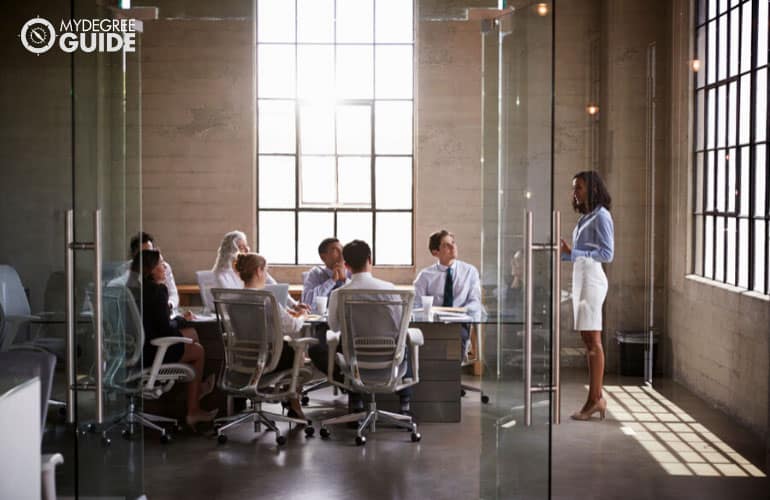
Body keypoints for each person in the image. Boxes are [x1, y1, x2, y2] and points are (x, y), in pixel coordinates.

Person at [130, 249, 217, 428]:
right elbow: (164, 330)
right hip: (152, 350)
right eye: (161, 264)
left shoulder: (133, 289)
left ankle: (196, 389)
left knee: (192, 334)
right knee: (198, 351)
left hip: (135, 349)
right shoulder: (157, 290)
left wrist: (179, 321)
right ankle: (193, 409)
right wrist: (180, 319)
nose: (164, 267)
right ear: (152, 269)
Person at [323, 240, 413, 414]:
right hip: (390, 361)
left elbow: (334, 328)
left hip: (355, 362)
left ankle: (356, 402)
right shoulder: (390, 290)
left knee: (343, 341)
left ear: (346, 265)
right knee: (404, 341)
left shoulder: (338, 294)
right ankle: (405, 403)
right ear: (370, 259)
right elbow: (402, 324)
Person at [559, 170, 614, 421]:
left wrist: (575, 252)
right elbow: (580, 253)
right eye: (574, 188)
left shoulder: (602, 216)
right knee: (588, 339)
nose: (574, 193)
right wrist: (565, 252)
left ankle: (595, 399)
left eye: (578, 188)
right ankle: (596, 398)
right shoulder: (585, 218)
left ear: (592, 189)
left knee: (593, 340)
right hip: (582, 278)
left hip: (592, 280)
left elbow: (606, 254)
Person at [235, 252, 309, 420]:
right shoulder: (267, 299)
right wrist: (303, 316)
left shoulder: (233, 297)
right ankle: (293, 401)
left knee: (291, 349)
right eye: (265, 270)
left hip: (241, 357)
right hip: (267, 358)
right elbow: (292, 326)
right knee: (298, 354)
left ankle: (290, 400)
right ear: (259, 271)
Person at [413, 230, 482, 360]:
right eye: (446, 245)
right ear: (435, 252)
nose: (453, 247)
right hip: (433, 325)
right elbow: (415, 305)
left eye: (453, 243)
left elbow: (475, 302)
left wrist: (462, 311)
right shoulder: (425, 276)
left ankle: (449, 376)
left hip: (458, 323)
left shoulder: (470, 271)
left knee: (456, 338)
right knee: (420, 342)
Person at [212, 230, 307, 312]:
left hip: (258, 310)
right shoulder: (222, 275)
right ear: (230, 251)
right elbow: (231, 303)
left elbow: (275, 286)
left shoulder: (253, 266)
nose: (246, 250)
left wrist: (294, 305)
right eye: (241, 247)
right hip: (237, 317)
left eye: (246, 246)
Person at [109, 232, 179, 313]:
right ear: (135, 255)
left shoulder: (163, 267)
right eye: (145, 253)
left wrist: (167, 305)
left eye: (151, 252)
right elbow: (114, 296)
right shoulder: (123, 271)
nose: (149, 257)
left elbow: (173, 294)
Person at [301, 237, 351, 309]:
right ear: (323, 257)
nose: (342, 255)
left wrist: (345, 280)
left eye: (342, 250)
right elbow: (307, 304)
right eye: (336, 250)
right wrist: (332, 281)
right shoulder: (315, 273)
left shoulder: (351, 272)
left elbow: (361, 297)